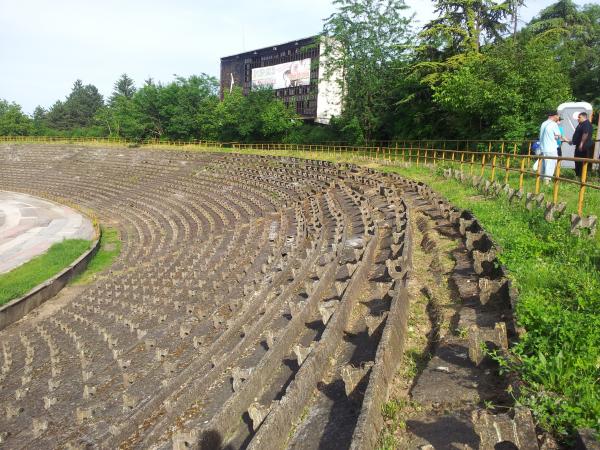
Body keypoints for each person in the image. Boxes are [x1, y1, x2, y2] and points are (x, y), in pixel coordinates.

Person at [539, 111, 566, 184]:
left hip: (543, 148)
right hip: (551, 148)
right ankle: (546, 182)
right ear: (554, 116)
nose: (558, 118)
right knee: (551, 164)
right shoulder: (554, 124)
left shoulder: (543, 123)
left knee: (544, 165)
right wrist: (567, 141)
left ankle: (541, 180)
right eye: (557, 116)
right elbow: (559, 136)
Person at [570, 112, 594, 178]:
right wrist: (573, 141)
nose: (578, 119)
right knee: (577, 160)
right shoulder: (580, 124)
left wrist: (581, 144)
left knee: (582, 162)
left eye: (579, 117)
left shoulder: (586, 124)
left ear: (584, 117)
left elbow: (585, 133)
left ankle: (582, 177)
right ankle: (578, 175)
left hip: (584, 147)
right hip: (579, 146)